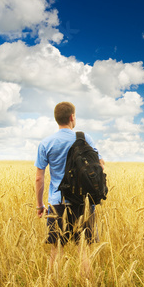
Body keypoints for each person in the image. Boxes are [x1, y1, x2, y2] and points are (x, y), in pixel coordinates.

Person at [35, 101, 105, 274]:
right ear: (72, 117)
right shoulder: (84, 138)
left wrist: (40, 205)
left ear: (56, 118)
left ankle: (53, 285)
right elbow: (100, 166)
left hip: (57, 203)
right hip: (84, 202)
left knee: (56, 250)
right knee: (84, 251)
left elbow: (39, 178)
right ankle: (86, 284)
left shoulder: (46, 143)